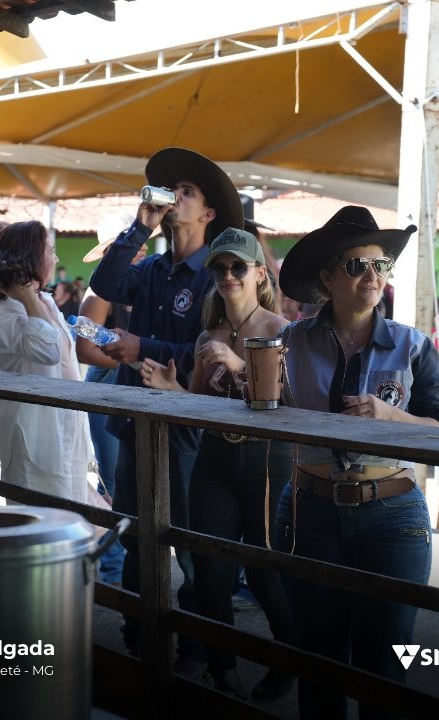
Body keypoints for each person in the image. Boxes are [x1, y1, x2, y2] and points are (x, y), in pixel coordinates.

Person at [273, 206, 439, 719]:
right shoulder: (289, 342)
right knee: (319, 663)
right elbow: (266, 408)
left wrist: (391, 416)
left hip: (392, 517)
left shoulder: (413, 346)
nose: (372, 276)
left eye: (380, 265)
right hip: (309, 511)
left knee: (385, 669)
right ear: (328, 279)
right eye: (356, 266)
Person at [89, 146, 244, 678]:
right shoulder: (152, 266)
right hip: (136, 417)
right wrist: (140, 226)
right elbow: (104, 285)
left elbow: (214, 354)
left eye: (187, 192)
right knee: (135, 531)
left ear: (208, 213)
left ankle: (196, 649)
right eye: (171, 189)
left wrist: (143, 346)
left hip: (185, 425)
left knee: (189, 542)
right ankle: (140, 637)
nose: (174, 198)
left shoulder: (218, 276)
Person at [140, 228, 295, 702]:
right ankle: (223, 672)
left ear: (259, 274)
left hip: (266, 459)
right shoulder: (208, 334)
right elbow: (198, 404)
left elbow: (291, 402)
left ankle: (289, 663)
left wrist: (239, 363)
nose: (228, 275)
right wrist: (171, 390)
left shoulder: (281, 331)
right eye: (220, 268)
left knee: (267, 573)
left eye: (237, 267)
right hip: (215, 458)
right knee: (209, 572)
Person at [0, 220, 101, 505]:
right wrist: (26, 296)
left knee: (72, 508)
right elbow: (47, 350)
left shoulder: (44, 302)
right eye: (50, 251)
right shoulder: (2, 311)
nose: (56, 259)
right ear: (31, 256)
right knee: (40, 511)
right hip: (35, 434)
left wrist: (31, 297)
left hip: (65, 425)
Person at [77, 212, 143, 586]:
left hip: (130, 384)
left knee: (127, 477)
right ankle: (114, 568)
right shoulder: (99, 292)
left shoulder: (142, 283)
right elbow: (84, 349)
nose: (139, 251)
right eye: (130, 246)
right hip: (108, 383)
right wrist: (131, 361)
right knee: (113, 478)